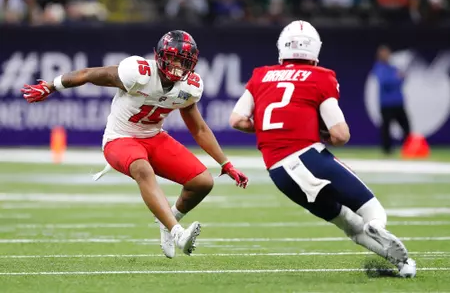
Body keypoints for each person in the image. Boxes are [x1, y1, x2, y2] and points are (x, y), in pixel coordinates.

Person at [21, 30, 248, 259]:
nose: (178, 65)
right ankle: (177, 232)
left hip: (153, 137)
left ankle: (168, 220)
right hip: (120, 139)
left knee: (202, 182)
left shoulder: (190, 86)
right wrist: (51, 86)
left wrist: (225, 164)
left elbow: (198, 128)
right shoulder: (137, 72)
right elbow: (89, 74)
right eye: (174, 58)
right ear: (159, 56)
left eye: (184, 61)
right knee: (142, 168)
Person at [229, 20, 416, 277]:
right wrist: (315, 132)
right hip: (308, 156)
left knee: (350, 225)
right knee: (372, 210)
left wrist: (271, 129)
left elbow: (237, 120)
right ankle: (376, 226)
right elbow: (340, 134)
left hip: (279, 172)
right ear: (315, 49)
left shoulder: (261, 75)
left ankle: (404, 266)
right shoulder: (321, 76)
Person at [372, 45, 411, 155]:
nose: (386, 55)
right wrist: (396, 78)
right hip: (386, 104)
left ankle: (409, 148)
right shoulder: (379, 68)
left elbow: (401, 80)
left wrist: (400, 78)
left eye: (387, 53)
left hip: (398, 102)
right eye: (384, 53)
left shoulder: (393, 68)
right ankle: (387, 150)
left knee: (406, 126)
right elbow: (384, 82)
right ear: (379, 55)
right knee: (386, 127)